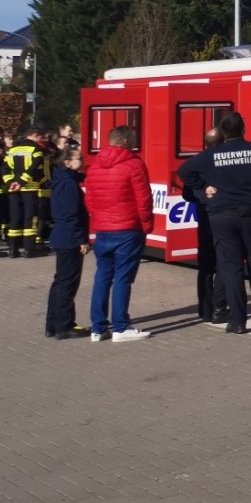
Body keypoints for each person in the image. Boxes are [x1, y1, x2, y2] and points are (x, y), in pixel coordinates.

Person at [179, 111, 251, 334]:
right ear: (243, 129)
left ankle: (237, 322)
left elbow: (184, 171)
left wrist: (204, 186)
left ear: (223, 132)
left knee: (231, 267)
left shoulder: (212, 154)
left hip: (222, 215)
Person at [85, 125, 154, 342]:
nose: (135, 140)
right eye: (132, 137)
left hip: (103, 229)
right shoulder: (134, 164)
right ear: (125, 141)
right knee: (123, 279)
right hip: (128, 228)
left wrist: (97, 221)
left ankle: (98, 328)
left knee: (102, 277)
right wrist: (146, 225)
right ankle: (121, 327)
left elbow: (90, 199)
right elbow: (144, 199)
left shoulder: (94, 166)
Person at [44, 145, 90, 338]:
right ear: (67, 162)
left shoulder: (62, 180)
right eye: (79, 158)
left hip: (63, 236)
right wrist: (81, 239)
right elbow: (72, 215)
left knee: (60, 282)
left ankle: (53, 324)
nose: (83, 161)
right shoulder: (68, 184)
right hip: (69, 238)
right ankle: (64, 325)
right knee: (67, 283)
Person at [185, 126, 228, 324]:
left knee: (205, 265)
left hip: (204, 217)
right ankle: (220, 307)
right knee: (223, 263)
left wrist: (201, 197)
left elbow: (187, 194)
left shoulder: (196, 163)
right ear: (223, 142)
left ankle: (205, 309)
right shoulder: (227, 163)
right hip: (223, 216)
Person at [5, 130, 48, 258]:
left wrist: (10, 182)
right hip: (29, 188)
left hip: (14, 189)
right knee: (30, 219)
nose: (41, 140)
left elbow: (4, 168)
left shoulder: (12, 149)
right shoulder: (36, 149)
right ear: (34, 136)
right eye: (40, 137)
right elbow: (34, 167)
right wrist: (21, 181)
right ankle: (29, 249)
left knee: (15, 218)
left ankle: (13, 250)